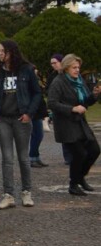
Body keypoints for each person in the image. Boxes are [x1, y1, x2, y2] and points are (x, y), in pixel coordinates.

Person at [0, 40, 42, 209]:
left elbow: (37, 93)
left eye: (3, 51)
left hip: (21, 118)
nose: (0, 54)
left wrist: (29, 113)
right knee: (7, 158)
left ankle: (26, 192)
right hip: (3, 119)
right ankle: (9, 194)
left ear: (12, 52)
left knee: (24, 157)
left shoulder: (26, 70)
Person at [47, 54, 101, 196]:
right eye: (74, 67)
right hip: (66, 123)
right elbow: (51, 103)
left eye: (78, 67)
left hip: (80, 122)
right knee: (79, 153)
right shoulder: (59, 82)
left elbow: (85, 102)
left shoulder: (79, 80)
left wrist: (94, 95)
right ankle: (73, 184)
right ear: (66, 68)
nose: (77, 70)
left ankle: (79, 178)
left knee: (95, 150)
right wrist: (72, 108)